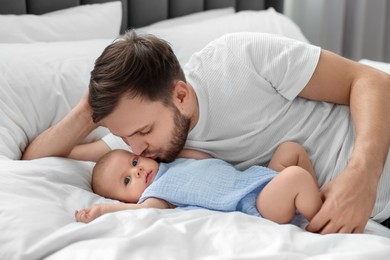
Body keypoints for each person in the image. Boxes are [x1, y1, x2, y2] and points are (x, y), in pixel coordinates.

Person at [22, 30, 390, 234]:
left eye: (144, 131)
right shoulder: (137, 145)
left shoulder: (239, 59)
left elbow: (371, 80)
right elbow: (35, 159)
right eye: (127, 138)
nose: (139, 150)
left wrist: (363, 176)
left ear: (180, 95)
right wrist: (93, 108)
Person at [76, 142, 322, 227]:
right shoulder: (155, 195)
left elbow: (206, 160)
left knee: (291, 150)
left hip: (255, 179)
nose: (137, 170)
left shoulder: (174, 163)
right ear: (125, 199)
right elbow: (143, 212)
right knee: (296, 177)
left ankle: (312, 197)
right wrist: (103, 210)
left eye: (134, 161)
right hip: (255, 205)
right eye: (127, 180)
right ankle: (322, 218)